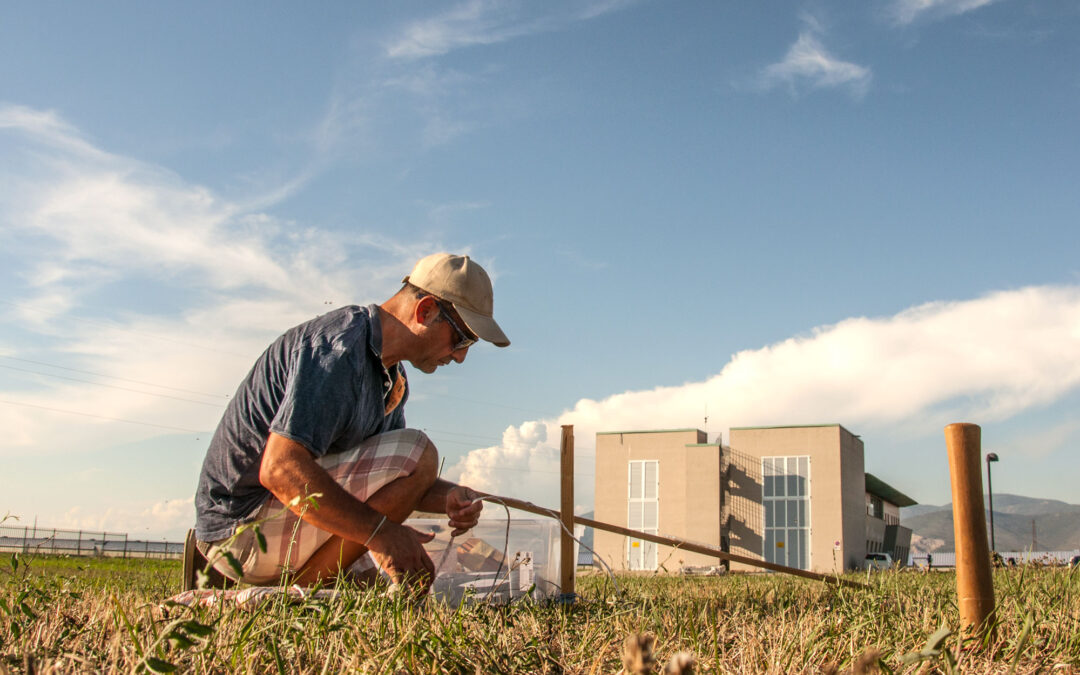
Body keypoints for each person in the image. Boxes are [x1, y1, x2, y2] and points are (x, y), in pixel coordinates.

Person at [186, 253, 509, 592]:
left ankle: (308, 588)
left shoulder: (391, 380)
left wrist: (448, 498)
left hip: (273, 524)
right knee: (420, 453)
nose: (460, 356)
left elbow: (394, 483)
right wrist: (381, 533)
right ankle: (290, 596)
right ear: (424, 310)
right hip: (240, 532)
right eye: (462, 339)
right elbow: (279, 469)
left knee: (389, 576)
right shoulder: (337, 350)